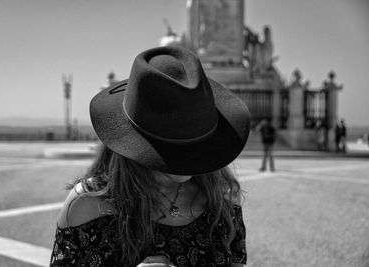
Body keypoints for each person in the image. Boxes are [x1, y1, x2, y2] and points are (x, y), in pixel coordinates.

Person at [49, 46, 250, 267]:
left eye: (191, 134)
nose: (187, 156)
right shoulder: (89, 204)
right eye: (174, 137)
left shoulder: (223, 199)